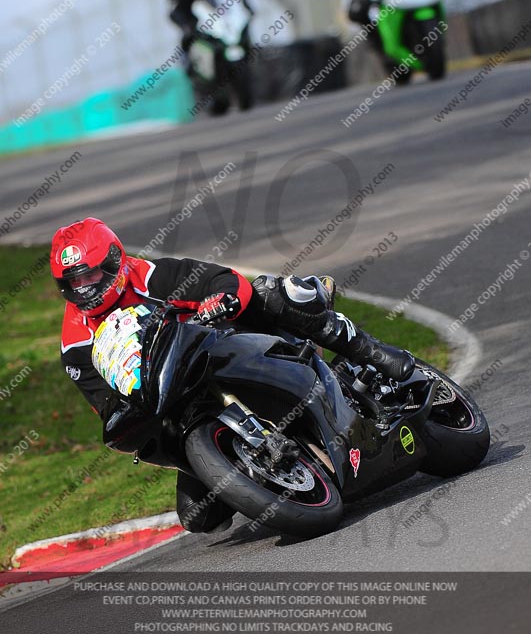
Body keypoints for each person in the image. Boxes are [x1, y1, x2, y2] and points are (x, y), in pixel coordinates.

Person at [50, 217, 415, 533]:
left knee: (270, 293)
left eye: (92, 274)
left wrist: (220, 299)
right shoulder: (75, 346)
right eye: (73, 282)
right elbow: (105, 403)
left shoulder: (146, 276)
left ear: (115, 261)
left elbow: (222, 280)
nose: (85, 288)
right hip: (177, 404)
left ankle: (371, 351)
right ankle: (266, 467)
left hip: (226, 348)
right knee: (198, 517)